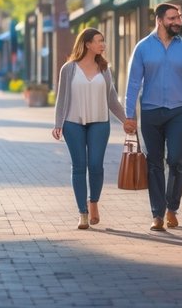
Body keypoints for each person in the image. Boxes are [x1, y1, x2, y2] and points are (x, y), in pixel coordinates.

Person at [124, 2, 182, 231]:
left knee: (176, 160)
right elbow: (133, 83)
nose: (177, 22)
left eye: (178, 17)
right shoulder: (142, 48)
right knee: (154, 163)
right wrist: (128, 115)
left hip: (179, 111)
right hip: (150, 112)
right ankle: (157, 214)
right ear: (159, 20)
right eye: (172, 18)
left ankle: (172, 208)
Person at [52, 27, 127, 230]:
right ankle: (82, 213)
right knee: (79, 166)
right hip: (72, 123)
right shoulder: (69, 69)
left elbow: (112, 98)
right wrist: (58, 123)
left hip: (100, 122)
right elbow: (62, 98)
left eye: (103, 41)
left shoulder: (105, 69)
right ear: (87, 44)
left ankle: (93, 201)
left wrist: (125, 120)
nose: (103, 44)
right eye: (99, 41)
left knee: (95, 165)